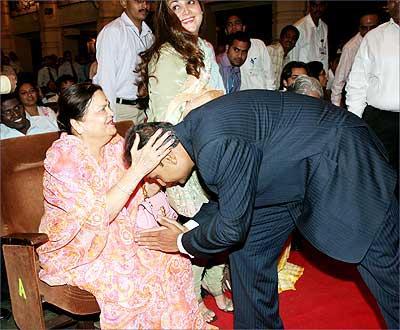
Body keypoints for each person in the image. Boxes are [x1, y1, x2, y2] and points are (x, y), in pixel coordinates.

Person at [132, 90, 399, 329]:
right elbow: (230, 196)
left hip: (340, 159)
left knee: (385, 264)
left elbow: (231, 227)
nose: (158, 183)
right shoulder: (197, 133)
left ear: (168, 157)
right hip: (288, 173)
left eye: (153, 175)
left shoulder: (212, 146)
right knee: (249, 251)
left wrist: (181, 242)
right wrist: (189, 228)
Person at [36, 83, 210, 330]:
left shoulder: (116, 145)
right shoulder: (63, 158)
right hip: (79, 247)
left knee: (173, 260)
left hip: (120, 235)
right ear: (78, 124)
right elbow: (96, 215)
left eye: (108, 105)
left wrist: (158, 174)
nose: (111, 113)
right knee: (128, 280)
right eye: (101, 109)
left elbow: (140, 192)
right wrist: (139, 170)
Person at [136, 0, 230, 322]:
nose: (186, 11)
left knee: (219, 220)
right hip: (181, 157)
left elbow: (222, 98)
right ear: (165, 14)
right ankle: (192, 297)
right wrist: (204, 99)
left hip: (212, 148)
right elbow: (163, 121)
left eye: (190, 1)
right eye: (175, 5)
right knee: (190, 229)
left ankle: (216, 284)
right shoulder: (164, 55)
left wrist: (209, 100)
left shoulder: (203, 45)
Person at [346, 0, 399, 172]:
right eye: (392, 0)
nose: (397, 4)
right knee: (378, 176)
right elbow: (357, 82)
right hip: (380, 122)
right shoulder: (374, 37)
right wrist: (355, 122)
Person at [94, 0, 153, 123]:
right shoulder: (113, 32)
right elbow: (106, 79)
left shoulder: (149, 35)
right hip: (120, 109)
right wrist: (110, 117)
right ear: (124, 2)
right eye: (138, 1)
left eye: (147, 1)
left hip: (144, 108)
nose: (144, 5)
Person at [331, 13, 379, 107]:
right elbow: (339, 79)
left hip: (377, 98)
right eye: (365, 28)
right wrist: (336, 106)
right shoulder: (351, 47)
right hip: (357, 99)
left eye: (372, 27)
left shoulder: (383, 41)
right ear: (360, 28)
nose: (369, 32)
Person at [224, 14, 276, 90]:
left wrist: (269, 94)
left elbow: (269, 74)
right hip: (240, 99)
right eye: (229, 25)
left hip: (261, 96)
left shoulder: (258, 44)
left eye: (237, 23)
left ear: (244, 27)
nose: (233, 27)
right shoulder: (225, 53)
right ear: (226, 31)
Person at [288, 1, 329, 73]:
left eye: (321, 6)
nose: (318, 9)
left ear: (325, 6)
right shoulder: (299, 27)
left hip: (319, 77)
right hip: (305, 77)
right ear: (309, 6)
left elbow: (325, 56)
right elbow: (293, 58)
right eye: (315, 6)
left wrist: (325, 75)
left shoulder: (324, 27)